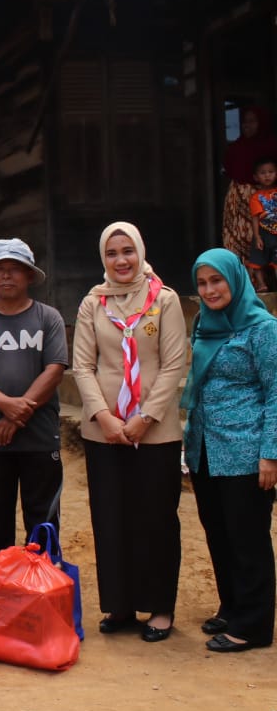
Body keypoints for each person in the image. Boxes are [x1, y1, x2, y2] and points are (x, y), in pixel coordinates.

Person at [70, 224, 187, 641]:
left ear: (140, 252)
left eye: (128, 252)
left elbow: (175, 365)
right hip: (104, 432)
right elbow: (82, 365)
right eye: (112, 253)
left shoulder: (165, 300)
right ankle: (119, 604)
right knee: (111, 516)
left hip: (155, 432)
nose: (121, 261)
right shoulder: (93, 304)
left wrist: (145, 418)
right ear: (103, 259)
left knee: (155, 518)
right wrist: (104, 416)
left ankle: (159, 607)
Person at [182, 248, 277, 652]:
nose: (209, 290)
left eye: (216, 280)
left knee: (248, 537)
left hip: (245, 450)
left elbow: (276, 392)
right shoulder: (206, 322)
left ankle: (253, 625)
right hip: (205, 446)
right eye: (202, 283)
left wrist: (270, 454)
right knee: (218, 532)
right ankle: (232, 606)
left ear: (235, 279)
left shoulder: (263, 329)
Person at [0, 238, 70, 567]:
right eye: (0, 270)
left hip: (39, 437)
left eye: (14, 270)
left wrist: (17, 415)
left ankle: (43, 591)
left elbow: (55, 370)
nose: (6, 276)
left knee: (43, 522)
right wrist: (6, 406)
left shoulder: (47, 318)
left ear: (30, 276)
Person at [223, 106, 277, 264]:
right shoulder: (236, 147)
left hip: (266, 202)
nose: (247, 125)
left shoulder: (271, 146)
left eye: (252, 121)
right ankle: (243, 280)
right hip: (238, 203)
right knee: (237, 241)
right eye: (245, 122)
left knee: (266, 241)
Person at [246, 156, 277, 291]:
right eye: (263, 173)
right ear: (256, 177)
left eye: (271, 172)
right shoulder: (256, 197)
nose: (267, 176)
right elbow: (255, 218)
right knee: (257, 261)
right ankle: (261, 284)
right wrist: (257, 236)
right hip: (263, 233)